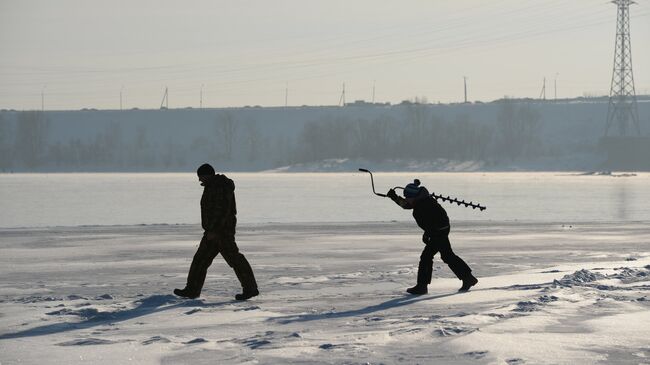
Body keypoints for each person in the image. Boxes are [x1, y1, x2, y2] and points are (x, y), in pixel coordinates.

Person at [174, 163, 259, 301]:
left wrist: (214, 230)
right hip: (212, 232)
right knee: (200, 260)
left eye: (201, 177)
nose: (199, 180)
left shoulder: (220, 187)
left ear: (207, 175)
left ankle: (250, 289)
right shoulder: (212, 186)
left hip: (221, 233)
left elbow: (222, 211)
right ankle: (192, 290)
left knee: (235, 259)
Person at [387, 179, 477, 294]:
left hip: (438, 232)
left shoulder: (423, 206)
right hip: (439, 231)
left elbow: (432, 222)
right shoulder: (421, 200)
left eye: (408, 197)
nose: (407, 200)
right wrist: (394, 197)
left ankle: (422, 286)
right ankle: (468, 278)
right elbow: (407, 205)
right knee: (446, 255)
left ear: (414, 196)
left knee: (428, 256)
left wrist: (428, 234)